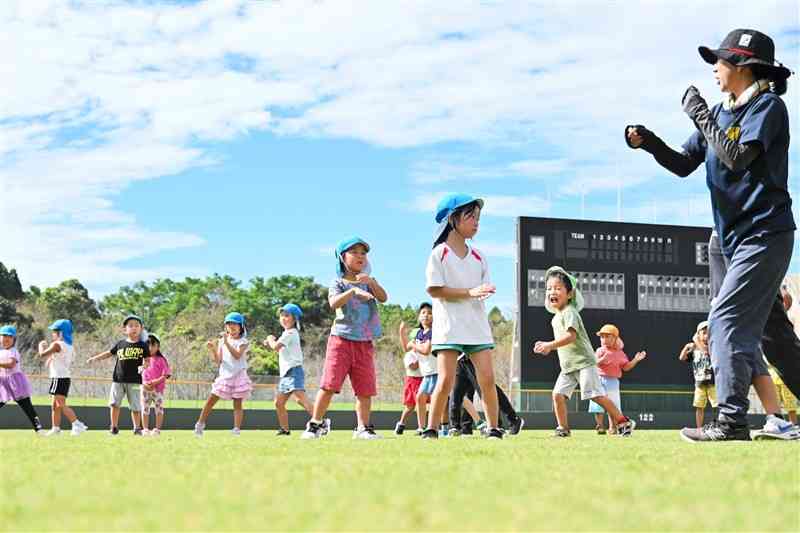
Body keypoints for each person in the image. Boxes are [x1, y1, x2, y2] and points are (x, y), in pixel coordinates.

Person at [626, 29, 795, 442]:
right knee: (775, 336)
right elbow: (684, 163)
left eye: (719, 61)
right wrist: (649, 142)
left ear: (741, 66)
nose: (714, 69)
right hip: (728, 240)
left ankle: (732, 421)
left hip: (764, 233)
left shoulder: (767, 107)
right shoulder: (719, 114)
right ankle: (743, 418)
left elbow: (736, 158)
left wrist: (698, 112)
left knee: (724, 319)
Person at [424, 194, 503, 440]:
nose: (476, 222)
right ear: (452, 219)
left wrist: (482, 292)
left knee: (487, 379)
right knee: (445, 380)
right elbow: (434, 289)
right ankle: (431, 429)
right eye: (470, 216)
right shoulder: (439, 253)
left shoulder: (479, 256)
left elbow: (481, 289)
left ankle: (493, 429)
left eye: (478, 217)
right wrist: (470, 292)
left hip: (476, 327)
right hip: (449, 327)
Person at [533, 267, 635, 437]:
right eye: (549, 288)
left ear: (570, 294)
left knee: (596, 395)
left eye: (558, 288)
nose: (553, 291)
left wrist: (550, 345)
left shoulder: (570, 312)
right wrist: (549, 347)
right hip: (568, 367)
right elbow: (563, 343)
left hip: (584, 363)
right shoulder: (555, 318)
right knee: (557, 395)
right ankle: (563, 429)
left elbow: (571, 336)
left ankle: (623, 421)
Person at [302, 237, 387, 440]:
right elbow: (333, 303)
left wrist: (372, 283)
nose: (360, 256)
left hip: (364, 343)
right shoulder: (338, 283)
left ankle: (363, 428)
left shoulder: (369, 282)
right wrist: (352, 291)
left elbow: (384, 298)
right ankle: (315, 424)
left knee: (365, 389)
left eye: (363, 253)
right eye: (354, 252)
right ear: (342, 258)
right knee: (329, 385)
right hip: (340, 341)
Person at [87, 315, 147, 436]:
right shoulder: (120, 344)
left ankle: (137, 429)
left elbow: (148, 360)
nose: (134, 328)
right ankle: (113, 427)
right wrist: (95, 358)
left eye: (136, 326)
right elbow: (109, 353)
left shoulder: (143, 345)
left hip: (135, 381)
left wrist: (144, 366)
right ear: (125, 329)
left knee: (135, 406)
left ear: (141, 329)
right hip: (118, 380)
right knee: (114, 404)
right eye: (130, 326)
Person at [194, 312, 252, 437]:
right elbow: (218, 361)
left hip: (239, 376)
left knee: (237, 403)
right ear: (226, 327)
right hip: (225, 376)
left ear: (241, 326)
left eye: (235, 324)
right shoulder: (222, 341)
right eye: (229, 324)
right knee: (211, 401)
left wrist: (226, 342)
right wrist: (213, 349)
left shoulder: (243, 341)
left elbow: (237, 355)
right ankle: (200, 425)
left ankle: (236, 429)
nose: (232, 327)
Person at [263, 304, 314, 436]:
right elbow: (278, 347)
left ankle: (321, 422)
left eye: (287, 315)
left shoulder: (291, 333)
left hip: (294, 371)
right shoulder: (286, 334)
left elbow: (275, 347)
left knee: (300, 399)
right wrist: (271, 342)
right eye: (282, 316)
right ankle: (285, 430)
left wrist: (270, 340)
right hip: (286, 374)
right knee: (279, 403)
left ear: (294, 319)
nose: (283, 318)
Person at [588, 324, 645, 434]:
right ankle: (600, 426)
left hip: (613, 381)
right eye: (602, 337)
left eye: (607, 336)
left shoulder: (620, 353)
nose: (604, 339)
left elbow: (626, 367)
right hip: (598, 379)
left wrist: (635, 360)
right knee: (597, 405)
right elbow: (592, 363)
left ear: (615, 338)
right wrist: (601, 360)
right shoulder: (600, 350)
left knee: (613, 405)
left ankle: (613, 428)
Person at [38, 319, 87, 436]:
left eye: (55, 331)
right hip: (65, 378)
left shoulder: (57, 344)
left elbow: (42, 355)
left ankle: (77, 424)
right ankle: (55, 428)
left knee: (60, 404)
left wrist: (41, 345)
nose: (53, 333)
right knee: (55, 405)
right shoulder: (69, 346)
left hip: (58, 378)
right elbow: (55, 360)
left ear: (61, 332)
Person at [0, 325, 44, 434]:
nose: (6, 338)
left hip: (15, 382)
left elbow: (11, 364)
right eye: (3, 336)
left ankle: (39, 429)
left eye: (9, 337)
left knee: (27, 407)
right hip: (3, 382)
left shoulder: (13, 351)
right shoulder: (1, 352)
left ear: (14, 339)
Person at [394, 303, 430, 435]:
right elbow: (413, 366)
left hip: (425, 378)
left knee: (429, 403)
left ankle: (426, 426)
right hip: (413, 382)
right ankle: (401, 424)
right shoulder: (410, 355)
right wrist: (401, 332)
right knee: (410, 406)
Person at [679, 322, 717, 429]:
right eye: (703, 333)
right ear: (698, 334)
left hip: (712, 382)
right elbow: (682, 358)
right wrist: (687, 347)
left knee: (717, 405)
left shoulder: (712, 345)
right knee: (699, 406)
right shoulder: (695, 349)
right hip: (699, 383)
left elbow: (706, 352)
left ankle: (719, 425)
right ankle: (699, 428)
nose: (706, 336)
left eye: (708, 333)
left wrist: (695, 340)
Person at [141, 333, 171, 436]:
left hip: (158, 389)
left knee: (159, 409)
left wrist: (155, 382)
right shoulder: (142, 359)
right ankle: (145, 429)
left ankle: (157, 429)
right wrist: (144, 383)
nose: (151, 348)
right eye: (148, 345)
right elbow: (138, 373)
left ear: (158, 347)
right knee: (145, 408)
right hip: (145, 389)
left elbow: (165, 375)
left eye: (153, 345)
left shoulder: (161, 360)